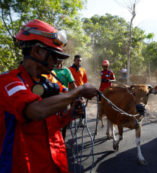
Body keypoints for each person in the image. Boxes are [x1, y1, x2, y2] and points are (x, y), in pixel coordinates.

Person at [0, 19, 97, 173]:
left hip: (55, 164)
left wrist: (70, 112)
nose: (57, 61)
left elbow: (51, 125)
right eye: (53, 55)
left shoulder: (50, 83)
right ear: (36, 51)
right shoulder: (9, 82)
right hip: (25, 166)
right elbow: (35, 111)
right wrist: (78, 91)